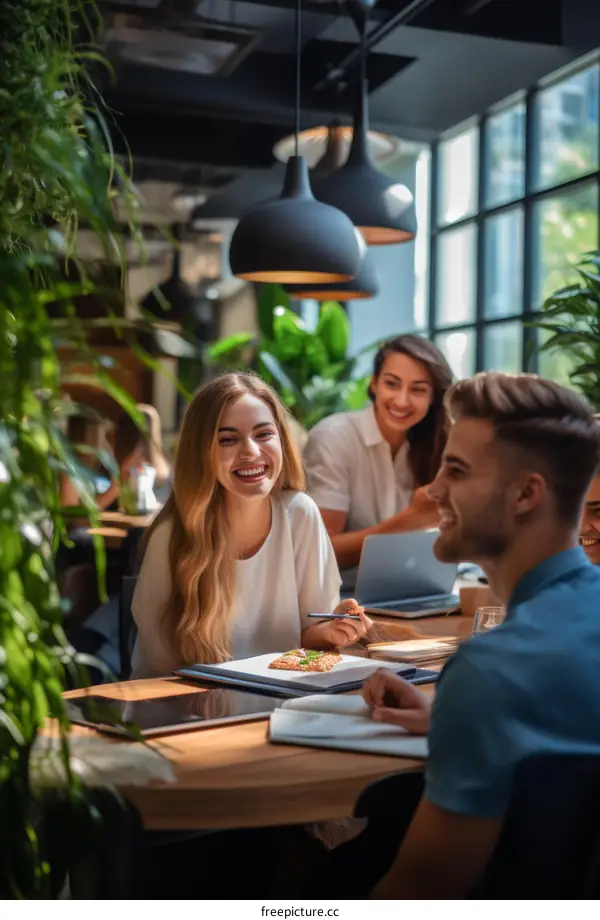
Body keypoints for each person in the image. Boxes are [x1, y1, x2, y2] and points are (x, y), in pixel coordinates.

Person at [357, 372, 600, 898]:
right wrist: (447, 718)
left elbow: (419, 894)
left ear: (526, 493)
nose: (434, 490)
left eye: (457, 470)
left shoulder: (492, 672)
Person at [131, 372, 371, 678]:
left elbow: (308, 636)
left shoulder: (300, 515)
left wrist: (333, 631)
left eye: (263, 434)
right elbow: (160, 666)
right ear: (201, 452)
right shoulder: (172, 535)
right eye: (228, 439)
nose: (251, 452)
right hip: (188, 707)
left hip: (279, 699)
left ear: (281, 440)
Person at [304, 335, 453, 573]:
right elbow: (320, 552)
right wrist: (410, 521)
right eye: (392, 384)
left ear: (432, 397)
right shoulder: (333, 437)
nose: (402, 401)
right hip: (341, 600)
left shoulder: (432, 444)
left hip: (413, 590)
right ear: (374, 384)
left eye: (418, 389)